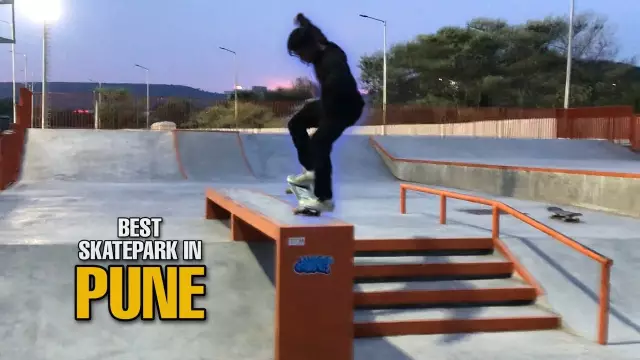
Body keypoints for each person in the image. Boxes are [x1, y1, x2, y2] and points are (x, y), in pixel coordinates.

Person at [286, 13, 365, 211]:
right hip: (328, 103)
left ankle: (325, 199)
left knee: (320, 142)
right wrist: (303, 20)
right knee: (296, 124)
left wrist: (323, 123)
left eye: (301, 53)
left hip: (345, 108)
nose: (302, 58)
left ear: (310, 46)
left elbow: (339, 80)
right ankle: (312, 170)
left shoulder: (333, 60)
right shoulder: (320, 43)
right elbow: (314, 30)